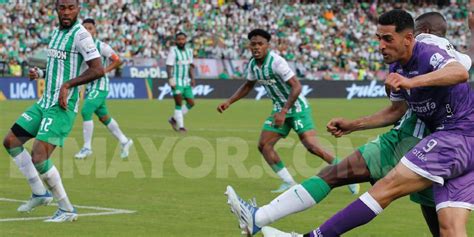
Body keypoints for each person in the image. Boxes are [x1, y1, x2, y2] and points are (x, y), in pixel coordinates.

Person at [225, 11, 473, 237]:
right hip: (442, 141)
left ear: (412, 36)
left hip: (448, 138)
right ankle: (260, 217)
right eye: (378, 38)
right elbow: (396, 110)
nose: (380, 46)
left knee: (385, 190)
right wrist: (354, 124)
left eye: (387, 39)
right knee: (449, 230)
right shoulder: (397, 65)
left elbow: (460, 70)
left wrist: (412, 82)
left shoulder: (431, 45)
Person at [218, 29, 359, 194]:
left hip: (297, 109)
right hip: (279, 111)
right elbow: (248, 85)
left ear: (267, 46)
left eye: (260, 44)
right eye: (253, 44)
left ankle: (349, 174)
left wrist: (284, 111)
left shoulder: (277, 62)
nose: (256, 47)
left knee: (312, 147)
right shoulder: (252, 65)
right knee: (264, 145)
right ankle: (288, 182)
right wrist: (229, 101)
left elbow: (297, 86)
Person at [2, 0, 104, 222]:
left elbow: (98, 69)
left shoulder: (81, 35)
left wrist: (68, 85)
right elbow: (59, 67)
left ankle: (67, 209)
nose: (66, 12)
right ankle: (39, 193)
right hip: (44, 102)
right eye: (62, 8)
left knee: (39, 156)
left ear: (78, 9)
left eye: (71, 8)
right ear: (56, 10)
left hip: (62, 106)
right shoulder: (57, 32)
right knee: (11, 141)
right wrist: (41, 73)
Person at [74, 18, 133, 159]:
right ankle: (125, 141)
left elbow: (118, 60)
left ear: (95, 31)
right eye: (85, 28)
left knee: (86, 110)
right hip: (90, 86)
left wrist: (104, 71)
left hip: (100, 86)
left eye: (90, 28)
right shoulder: (79, 47)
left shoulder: (101, 46)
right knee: (104, 117)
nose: (87, 30)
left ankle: (87, 147)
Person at [167, 32, 196, 133]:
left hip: (186, 81)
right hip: (176, 81)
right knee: (178, 103)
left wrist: (192, 79)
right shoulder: (173, 51)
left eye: (182, 39)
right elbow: (168, 66)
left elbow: (190, 66)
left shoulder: (189, 51)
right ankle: (181, 127)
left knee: (191, 103)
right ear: (175, 41)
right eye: (179, 39)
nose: (181, 41)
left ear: (186, 40)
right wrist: (170, 79)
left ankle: (174, 119)